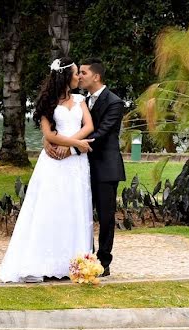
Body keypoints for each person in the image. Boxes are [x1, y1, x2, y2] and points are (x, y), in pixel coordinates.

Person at [0, 57, 95, 283]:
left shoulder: (81, 100)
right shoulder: (47, 102)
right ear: (64, 76)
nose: (78, 77)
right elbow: (49, 135)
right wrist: (72, 144)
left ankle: (74, 264)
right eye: (74, 73)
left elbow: (89, 126)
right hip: (53, 164)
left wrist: (70, 143)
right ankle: (42, 263)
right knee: (50, 207)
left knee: (75, 207)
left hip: (75, 164)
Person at [45, 57, 125, 277]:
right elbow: (57, 124)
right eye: (77, 73)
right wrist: (50, 140)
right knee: (81, 214)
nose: (79, 76)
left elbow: (100, 134)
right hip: (80, 168)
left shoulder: (114, 102)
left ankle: (104, 262)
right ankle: (84, 258)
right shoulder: (80, 100)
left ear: (96, 76)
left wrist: (69, 149)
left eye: (83, 73)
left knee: (106, 217)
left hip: (105, 167)